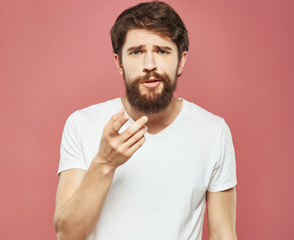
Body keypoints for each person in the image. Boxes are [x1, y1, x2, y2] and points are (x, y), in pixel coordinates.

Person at [53, 1, 237, 240]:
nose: (149, 65)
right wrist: (104, 163)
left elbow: (223, 235)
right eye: (136, 52)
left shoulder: (214, 132)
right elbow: (67, 234)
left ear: (180, 61)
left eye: (162, 51)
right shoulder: (82, 124)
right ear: (119, 63)